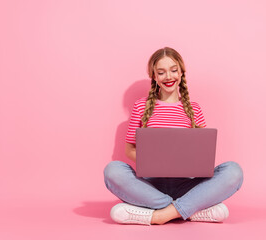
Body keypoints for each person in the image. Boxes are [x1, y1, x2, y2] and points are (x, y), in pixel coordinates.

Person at [104, 47, 243, 225]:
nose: (168, 77)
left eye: (173, 70)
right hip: (151, 185)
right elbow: (129, 150)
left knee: (233, 171)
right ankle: (188, 210)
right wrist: (153, 162)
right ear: (154, 76)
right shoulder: (141, 107)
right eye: (161, 72)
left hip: (187, 185)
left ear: (181, 72)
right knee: (113, 170)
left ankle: (160, 215)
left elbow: (203, 152)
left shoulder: (194, 109)